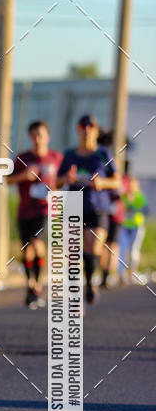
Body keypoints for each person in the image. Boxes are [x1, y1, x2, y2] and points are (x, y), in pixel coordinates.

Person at [56, 114, 121, 305]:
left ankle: (91, 284)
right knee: (73, 253)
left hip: (97, 207)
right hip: (73, 206)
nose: (86, 130)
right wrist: (66, 179)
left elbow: (117, 181)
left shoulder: (103, 154)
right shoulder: (69, 154)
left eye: (90, 126)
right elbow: (56, 182)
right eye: (82, 126)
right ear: (78, 130)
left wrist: (102, 183)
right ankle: (75, 294)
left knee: (93, 247)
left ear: (96, 130)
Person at [7, 120, 61, 309]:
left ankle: (36, 285)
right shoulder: (23, 158)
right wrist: (24, 176)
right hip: (24, 211)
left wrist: (57, 188)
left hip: (44, 209)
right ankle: (31, 286)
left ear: (48, 137)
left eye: (41, 135)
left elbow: (63, 181)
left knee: (36, 243)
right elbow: (7, 180)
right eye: (34, 135)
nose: (38, 139)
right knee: (27, 249)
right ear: (30, 137)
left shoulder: (56, 158)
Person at [96, 128, 124, 288]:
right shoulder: (105, 161)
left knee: (109, 245)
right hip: (107, 211)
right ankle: (104, 274)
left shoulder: (106, 160)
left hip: (112, 212)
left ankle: (105, 275)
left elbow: (118, 188)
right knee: (107, 245)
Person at [118, 175, 148, 283]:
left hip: (136, 226)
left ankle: (132, 273)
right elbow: (119, 208)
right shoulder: (123, 196)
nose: (130, 187)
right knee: (122, 250)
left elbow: (145, 210)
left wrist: (133, 205)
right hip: (124, 226)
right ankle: (121, 275)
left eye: (132, 185)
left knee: (133, 251)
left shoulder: (140, 196)